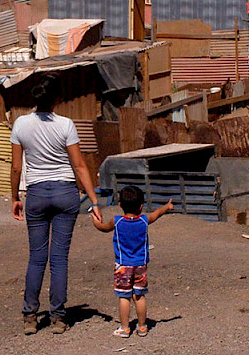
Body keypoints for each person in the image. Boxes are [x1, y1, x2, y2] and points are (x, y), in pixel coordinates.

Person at [10, 75, 102, 336]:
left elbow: (17, 166)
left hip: (37, 195)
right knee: (59, 259)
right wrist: (94, 201)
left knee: (37, 257)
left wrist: (15, 196)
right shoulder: (66, 125)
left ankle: (30, 317)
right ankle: (58, 318)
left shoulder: (20, 124)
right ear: (57, 99)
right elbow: (79, 165)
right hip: (65, 194)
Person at [90, 186, 173, 338]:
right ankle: (142, 327)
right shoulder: (144, 220)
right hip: (141, 264)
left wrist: (95, 221)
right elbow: (157, 213)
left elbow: (103, 228)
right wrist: (167, 206)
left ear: (120, 204)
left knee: (124, 296)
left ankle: (124, 328)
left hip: (123, 264)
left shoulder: (117, 221)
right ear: (141, 206)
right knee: (139, 296)